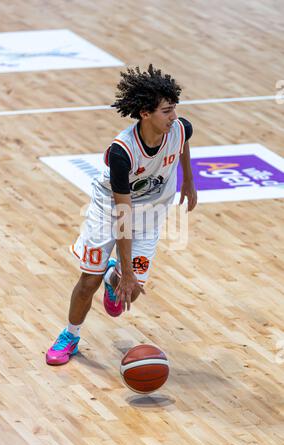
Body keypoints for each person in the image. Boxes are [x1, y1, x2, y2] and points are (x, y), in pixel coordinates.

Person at [46, 64, 197, 365]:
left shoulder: (180, 129)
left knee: (134, 291)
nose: (174, 117)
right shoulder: (122, 152)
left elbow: (183, 144)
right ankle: (70, 335)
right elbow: (122, 216)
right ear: (145, 113)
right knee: (89, 281)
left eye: (174, 109)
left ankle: (115, 276)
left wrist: (189, 181)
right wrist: (126, 273)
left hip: (151, 213)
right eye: (166, 111)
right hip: (110, 211)